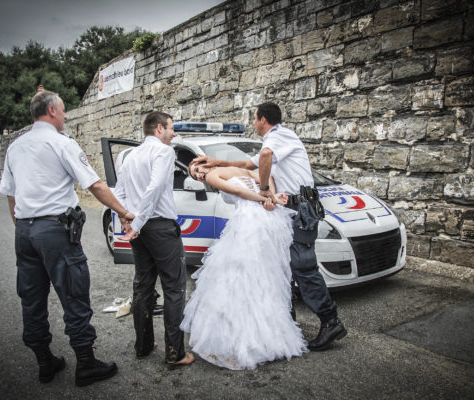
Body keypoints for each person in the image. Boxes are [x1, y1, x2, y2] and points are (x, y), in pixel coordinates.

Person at [0, 90, 134, 386]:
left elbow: (11, 194)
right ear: (50, 111)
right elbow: (95, 185)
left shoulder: (15, 147)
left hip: (24, 229)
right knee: (74, 294)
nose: (66, 115)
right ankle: (86, 364)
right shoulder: (62, 143)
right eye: (62, 111)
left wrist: (24, 228)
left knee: (31, 299)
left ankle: (45, 362)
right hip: (55, 232)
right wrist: (124, 212)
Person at [194, 102, 347, 352]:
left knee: (302, 265)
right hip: (290, 209)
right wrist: (215, 161)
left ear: (263, 120)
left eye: (254, 119)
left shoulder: (281, 136)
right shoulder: (273, 142)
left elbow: (264, 159)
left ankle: (331, 321)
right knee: (282, 264)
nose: (253, 124)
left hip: (300, 208)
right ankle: (286, 320)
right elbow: (249, 165)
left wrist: (264, 190)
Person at [180, 161, 307, 370]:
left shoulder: (214, 176)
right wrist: (271, 197)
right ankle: (266, 336)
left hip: (250, 221)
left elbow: (239, 191)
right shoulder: (239, 170)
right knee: (261, 275)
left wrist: (266, 199)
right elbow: (266, 179)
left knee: (238, 276)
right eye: (195, 176)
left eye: (197, 169)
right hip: (269, 219)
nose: (200, 175)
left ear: (204, 163)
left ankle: (244, 336)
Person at [114, 111, 194, 366]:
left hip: (140, 230)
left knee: (143, 285)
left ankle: (144, 346)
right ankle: (175, 353)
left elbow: (121, 192)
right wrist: (135, 222)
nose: (173, 134)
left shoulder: (130, 156)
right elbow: (155, 187)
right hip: (158, 227)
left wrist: (126, 219)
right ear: (159, 128)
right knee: (174, 289)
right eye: (171, 128)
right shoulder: (163, 152)